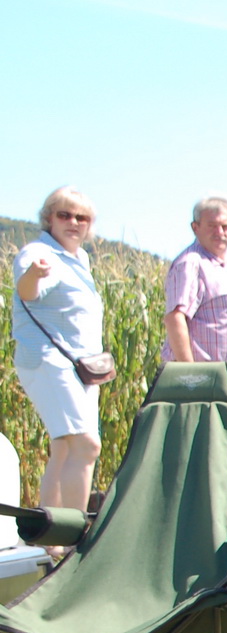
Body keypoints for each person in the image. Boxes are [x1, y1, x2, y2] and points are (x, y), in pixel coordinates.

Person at [9, 186, 104, 518]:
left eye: (81, 217)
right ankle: (73, 536)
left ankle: (50, 535)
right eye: (64, 214)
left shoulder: (80, 258)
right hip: (50, 362)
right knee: (86, 445)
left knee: (64, 448)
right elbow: (27, 291)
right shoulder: (40, 253)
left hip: (79, 369)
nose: (73, 222)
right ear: (48, 218)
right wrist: (35, 274)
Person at [161, 196, 227, 391]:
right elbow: (175, 318)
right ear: (195, 228)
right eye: (212, 226)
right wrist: (190, 377)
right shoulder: (191, 264)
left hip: (220, 379)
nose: (220, 232)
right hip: (197, 381)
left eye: (225, 226)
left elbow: (226, 322)